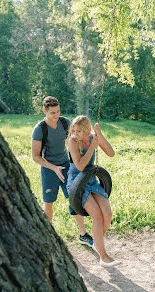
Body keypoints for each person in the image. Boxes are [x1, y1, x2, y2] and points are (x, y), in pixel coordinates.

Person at [31, 96, 93, 247]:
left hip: (66, 166)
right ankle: (48, 236)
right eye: (52, 112)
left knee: (74, 198)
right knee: (49, 203)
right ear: (44, 111)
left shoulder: (65, 123)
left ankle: (83, 234)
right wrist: (54, 168)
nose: (56, 115)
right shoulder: (40, 130)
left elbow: (78, 138)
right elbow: (35, 157)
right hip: (48, 169)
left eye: (58, 111)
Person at [67, 115, 121, 267]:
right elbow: (80, 166)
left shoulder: (92, 137)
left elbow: (111, 153)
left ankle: (98, 242)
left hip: (91, 179)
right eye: (74, 130)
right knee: (97, 215)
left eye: (79, 131)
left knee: (107, 214)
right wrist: (92, 148)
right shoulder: (72, 141)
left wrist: (100, 136)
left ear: (87, 130)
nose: (75, 134)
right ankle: (103, 256)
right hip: (77, 182)